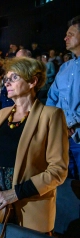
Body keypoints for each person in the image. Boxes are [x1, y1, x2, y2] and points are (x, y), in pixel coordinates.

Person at [0, 57, 68, 233]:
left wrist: (14, 194)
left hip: (31, 210)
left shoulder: (51, 115)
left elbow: (58, 170)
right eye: (6, 78)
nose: (7, 82)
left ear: (33, 82)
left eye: (14, 77)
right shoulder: (2, 114)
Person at [47, 15, 80, 180]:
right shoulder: (65, 68)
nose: (65, 38)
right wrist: (55, 124)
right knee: (68, 188)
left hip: (76, 135)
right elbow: (52, 97)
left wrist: (69, 123)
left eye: (71, 34)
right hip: (63, 137)